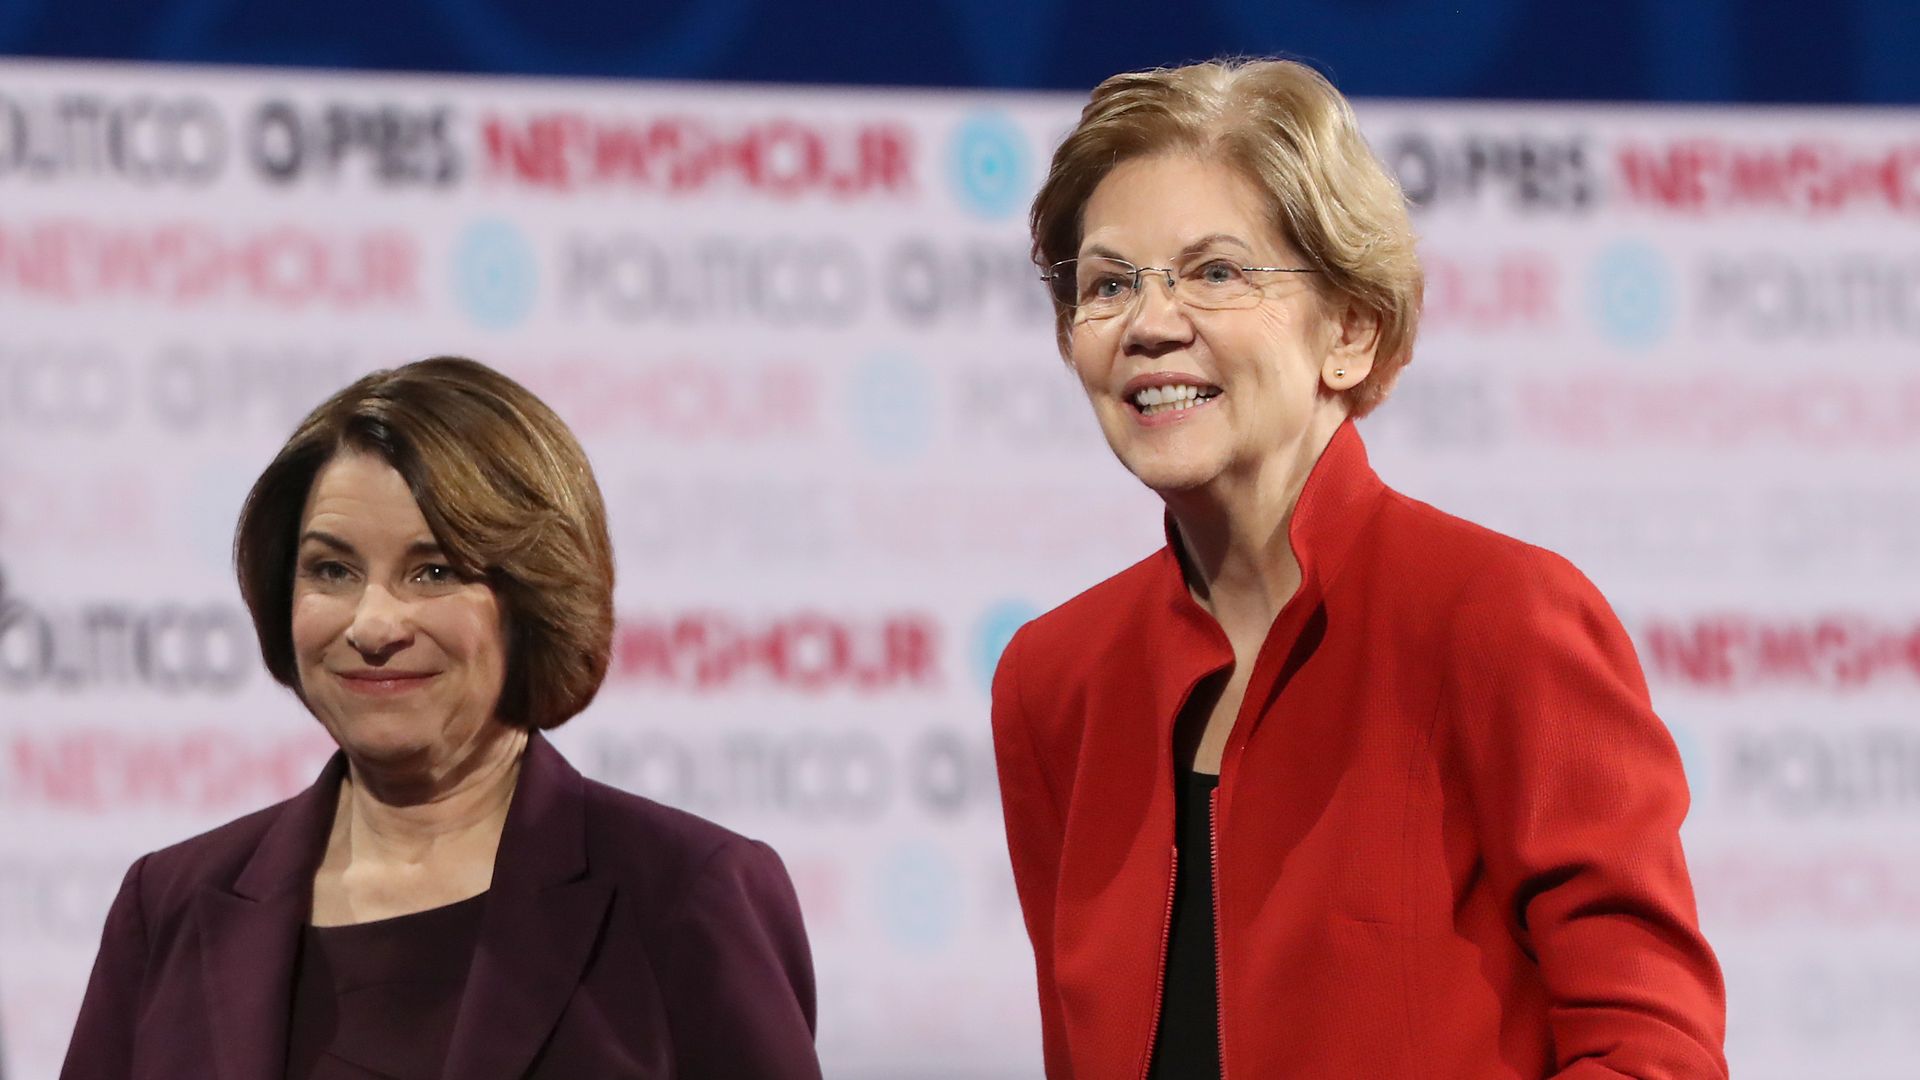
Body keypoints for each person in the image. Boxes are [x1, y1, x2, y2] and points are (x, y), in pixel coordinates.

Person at [990, 59, 1727, 1079]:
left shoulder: (1500, 615)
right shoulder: (1053, 679)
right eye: (1108, 284)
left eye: (1214, 272)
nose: (1149, 325)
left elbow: (1653, 1053)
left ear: (1351, 330)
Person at [61, 357, 822, 1079]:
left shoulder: (688, 896)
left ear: (534, 597)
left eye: (433, 572)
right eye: (333, 570)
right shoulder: (171, 906)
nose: (373, 624)